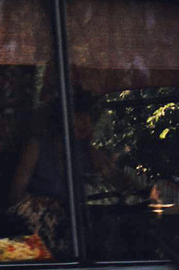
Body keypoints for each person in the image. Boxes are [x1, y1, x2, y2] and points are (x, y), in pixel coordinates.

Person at [9, 90, 140, 254]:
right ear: (60, 119)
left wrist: (132, 186)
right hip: (38, 235)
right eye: (77, 116)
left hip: (78, 233)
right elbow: (16, 195)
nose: (85, 122)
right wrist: (46, 204)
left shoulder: (87, 152)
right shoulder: (36, 147)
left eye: (88, 117)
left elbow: (120, 181)